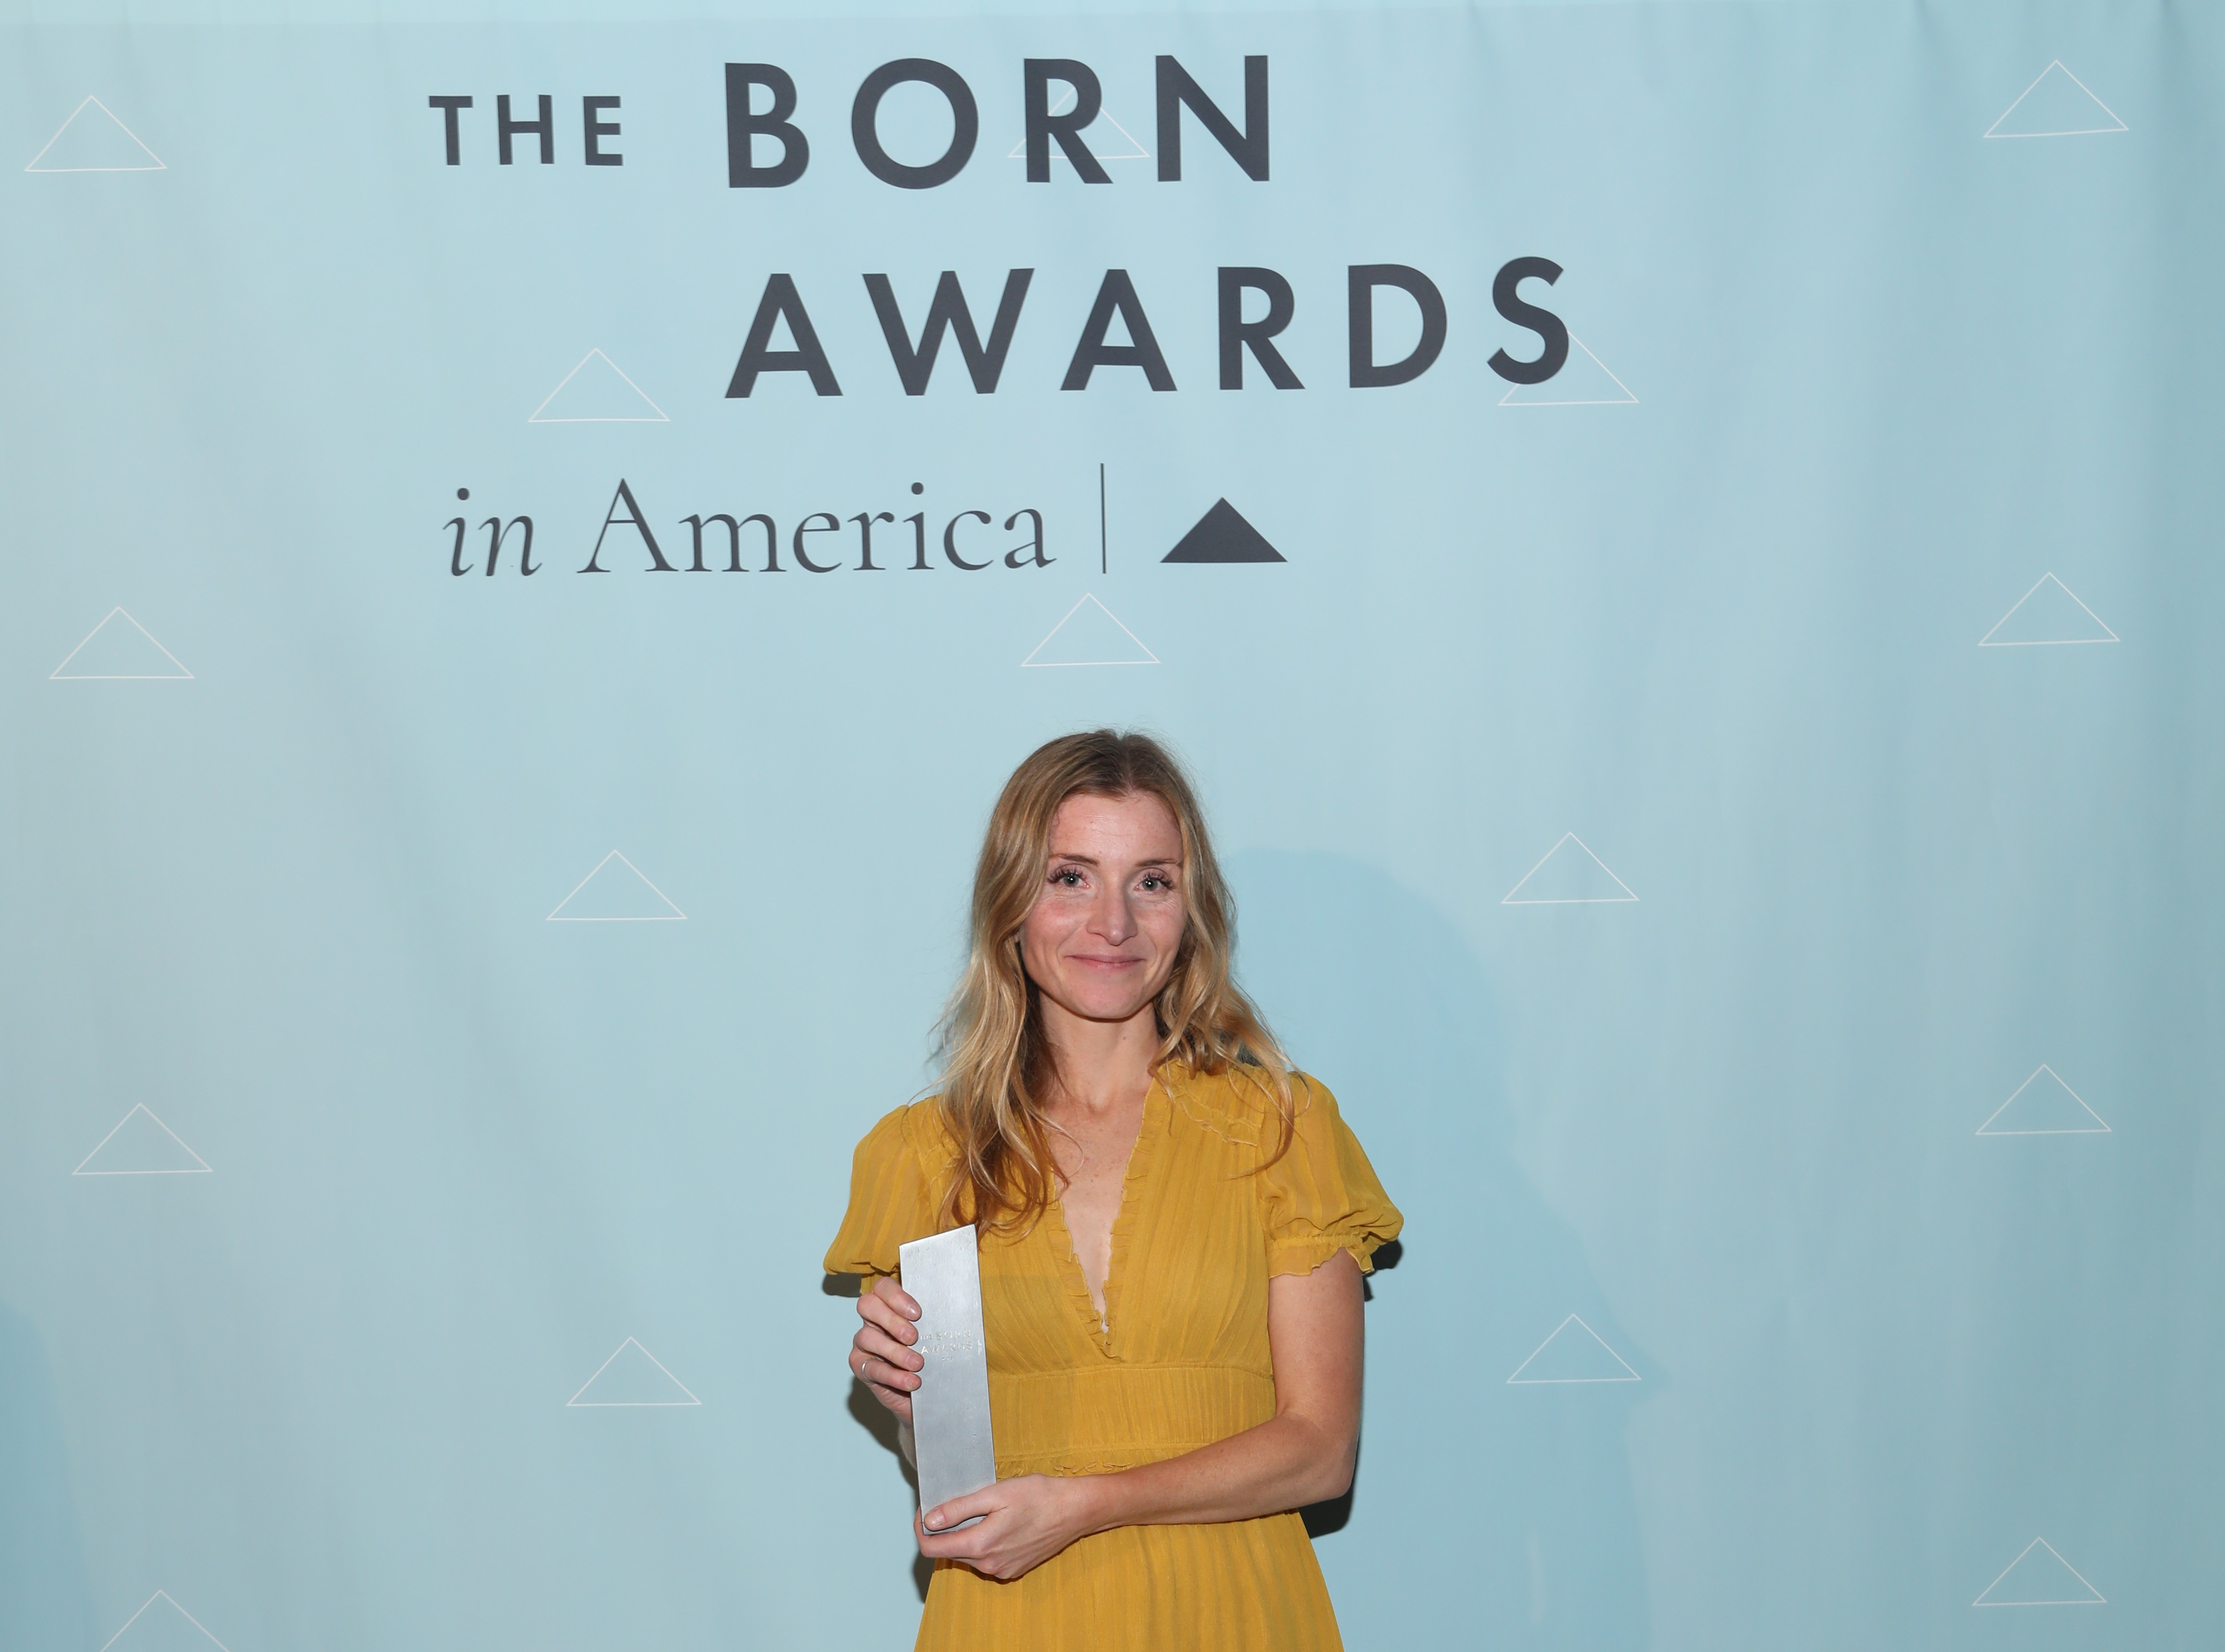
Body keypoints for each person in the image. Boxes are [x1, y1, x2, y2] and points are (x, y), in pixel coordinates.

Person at [824, 729, 1402, 1651]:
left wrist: (1086, 1505)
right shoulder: (926, 1154)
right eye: (1071, 877)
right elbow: (952, 1474)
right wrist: (911, 1408)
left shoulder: (1281, 1128)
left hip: (1236, 1615)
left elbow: (1321, 1451)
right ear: (1011, 902)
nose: (1115, 924)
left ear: (1191, 910)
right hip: (1013, 1619)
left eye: (1152, 882)